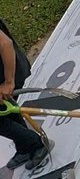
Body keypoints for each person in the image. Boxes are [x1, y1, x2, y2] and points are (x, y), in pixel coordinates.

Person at [1, 19, 49, 172]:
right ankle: (24, 147)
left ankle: (36, 145)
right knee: (7, 111)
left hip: (7, 73)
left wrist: (8, 82)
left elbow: (5, 44)